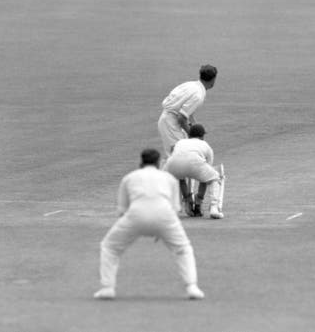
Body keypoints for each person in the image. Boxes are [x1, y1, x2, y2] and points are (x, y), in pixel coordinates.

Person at [93, 148, 205, 300]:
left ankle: (107, 288)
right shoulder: (169, 178)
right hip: (165, 216)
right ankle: (192, 287)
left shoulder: (129, 177)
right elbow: (175, 209)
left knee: (110, 247)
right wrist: (161, 228)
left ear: (141, 161)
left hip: (135, 214)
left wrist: (131, 228)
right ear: (159, 162)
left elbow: (122, 211)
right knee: (183, 249)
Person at [158, 65, 218, 211]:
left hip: (168, 119)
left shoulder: (191, 85)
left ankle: (185, 199)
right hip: (171, 124)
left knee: (183, 158)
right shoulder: (198, 95)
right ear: (213, 80)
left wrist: (196, 127)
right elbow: (181, 118)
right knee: (179, 158)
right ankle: (184, 201)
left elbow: (187, 114)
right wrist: (194, 136)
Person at [165, 124, 225, 219]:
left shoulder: (180, 142)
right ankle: (213, 208)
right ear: (202, 136)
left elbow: (181, 180)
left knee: (176, 178)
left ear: (189, 135)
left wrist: (187, 198)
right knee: (215, 177)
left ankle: (185, 204)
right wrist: (199, 200)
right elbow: (205, 179)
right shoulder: (205, 145)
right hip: (195, 162)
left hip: (172, 163)